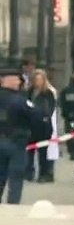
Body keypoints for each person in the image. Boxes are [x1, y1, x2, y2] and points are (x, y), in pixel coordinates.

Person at [0, 60, 43, 204]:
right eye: (16, 79)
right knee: (16, 178)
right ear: (6, 80)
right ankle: (13, 207)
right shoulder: (19, 100)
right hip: (16, 143)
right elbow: (36, 117)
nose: (19, 82)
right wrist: (34, 135)